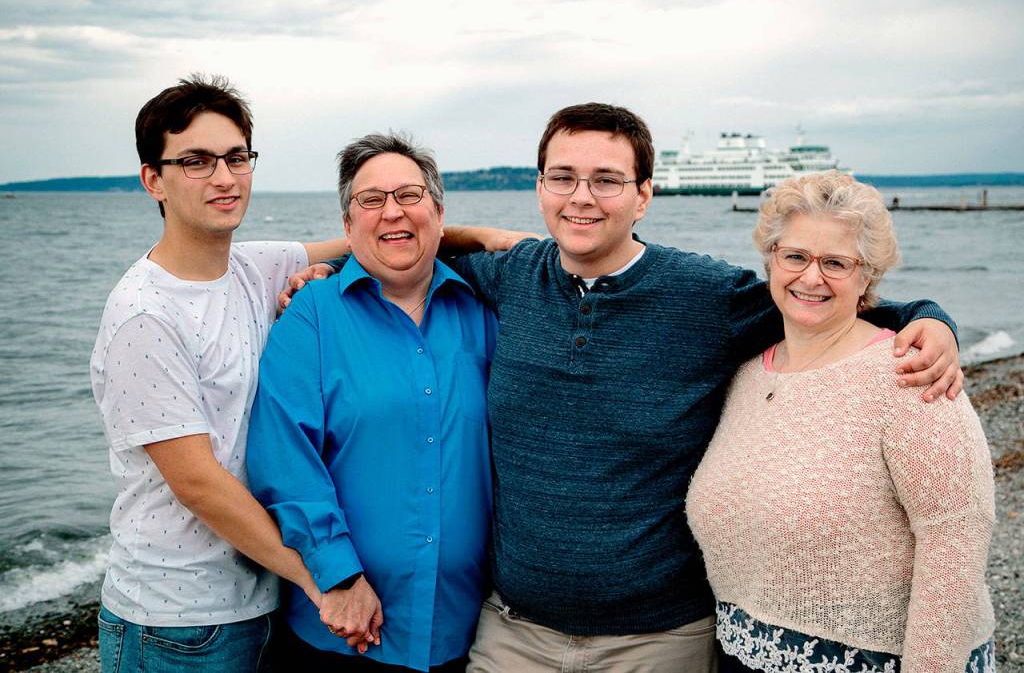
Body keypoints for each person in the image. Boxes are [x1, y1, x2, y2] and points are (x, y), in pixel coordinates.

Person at [280, 103, 963, 672]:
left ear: (644, 193)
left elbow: (820, 294)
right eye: (563, 178)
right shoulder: (508, 279)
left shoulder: (703, 295)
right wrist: (318, 270)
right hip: (513, 631)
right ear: (540, 187)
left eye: (606, 180)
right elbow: (406, 238)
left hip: (660, 640)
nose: (582, 196)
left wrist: (928, 319)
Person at [686, 172, 995, 672]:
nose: (811, 278)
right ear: (770, 262)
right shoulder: (744, 376)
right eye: (795, 257)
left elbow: (955, 544)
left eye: (836, 262)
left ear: (867, 276)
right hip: (743, 656)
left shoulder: (911, 376)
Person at [89, 75, 347, 672]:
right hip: (175, 622)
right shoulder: (143, 314)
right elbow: (198, 483)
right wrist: (325, 581)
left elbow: (378, 240)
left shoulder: (253, 266)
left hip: (258, 599)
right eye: (197, 162)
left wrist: (488, 239)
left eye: (236, 158)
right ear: (154, 179)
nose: (225, 178)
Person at [245, 133, 499, 672]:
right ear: (346, 224)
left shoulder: (486, 312)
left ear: (438, 211)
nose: (392, 213)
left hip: (468, 632)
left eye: (409, 195)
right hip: (343, 630)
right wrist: (339, 577)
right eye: (371, 200)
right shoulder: (311, 313)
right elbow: (285, 459)